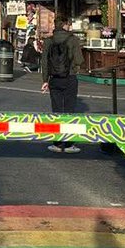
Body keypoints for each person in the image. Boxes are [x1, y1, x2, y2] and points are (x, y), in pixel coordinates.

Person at [40, 15, 84, 152]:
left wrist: (45, 81)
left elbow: (44, 62)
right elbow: (79, 60)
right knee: (70, 111)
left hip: (54, 79)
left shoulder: (48, 41)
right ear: (65, 25)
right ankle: (70, 144)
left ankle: (58, 144)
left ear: (55, 25)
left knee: (57, 110)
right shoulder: (73, 40)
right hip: (70, 78)